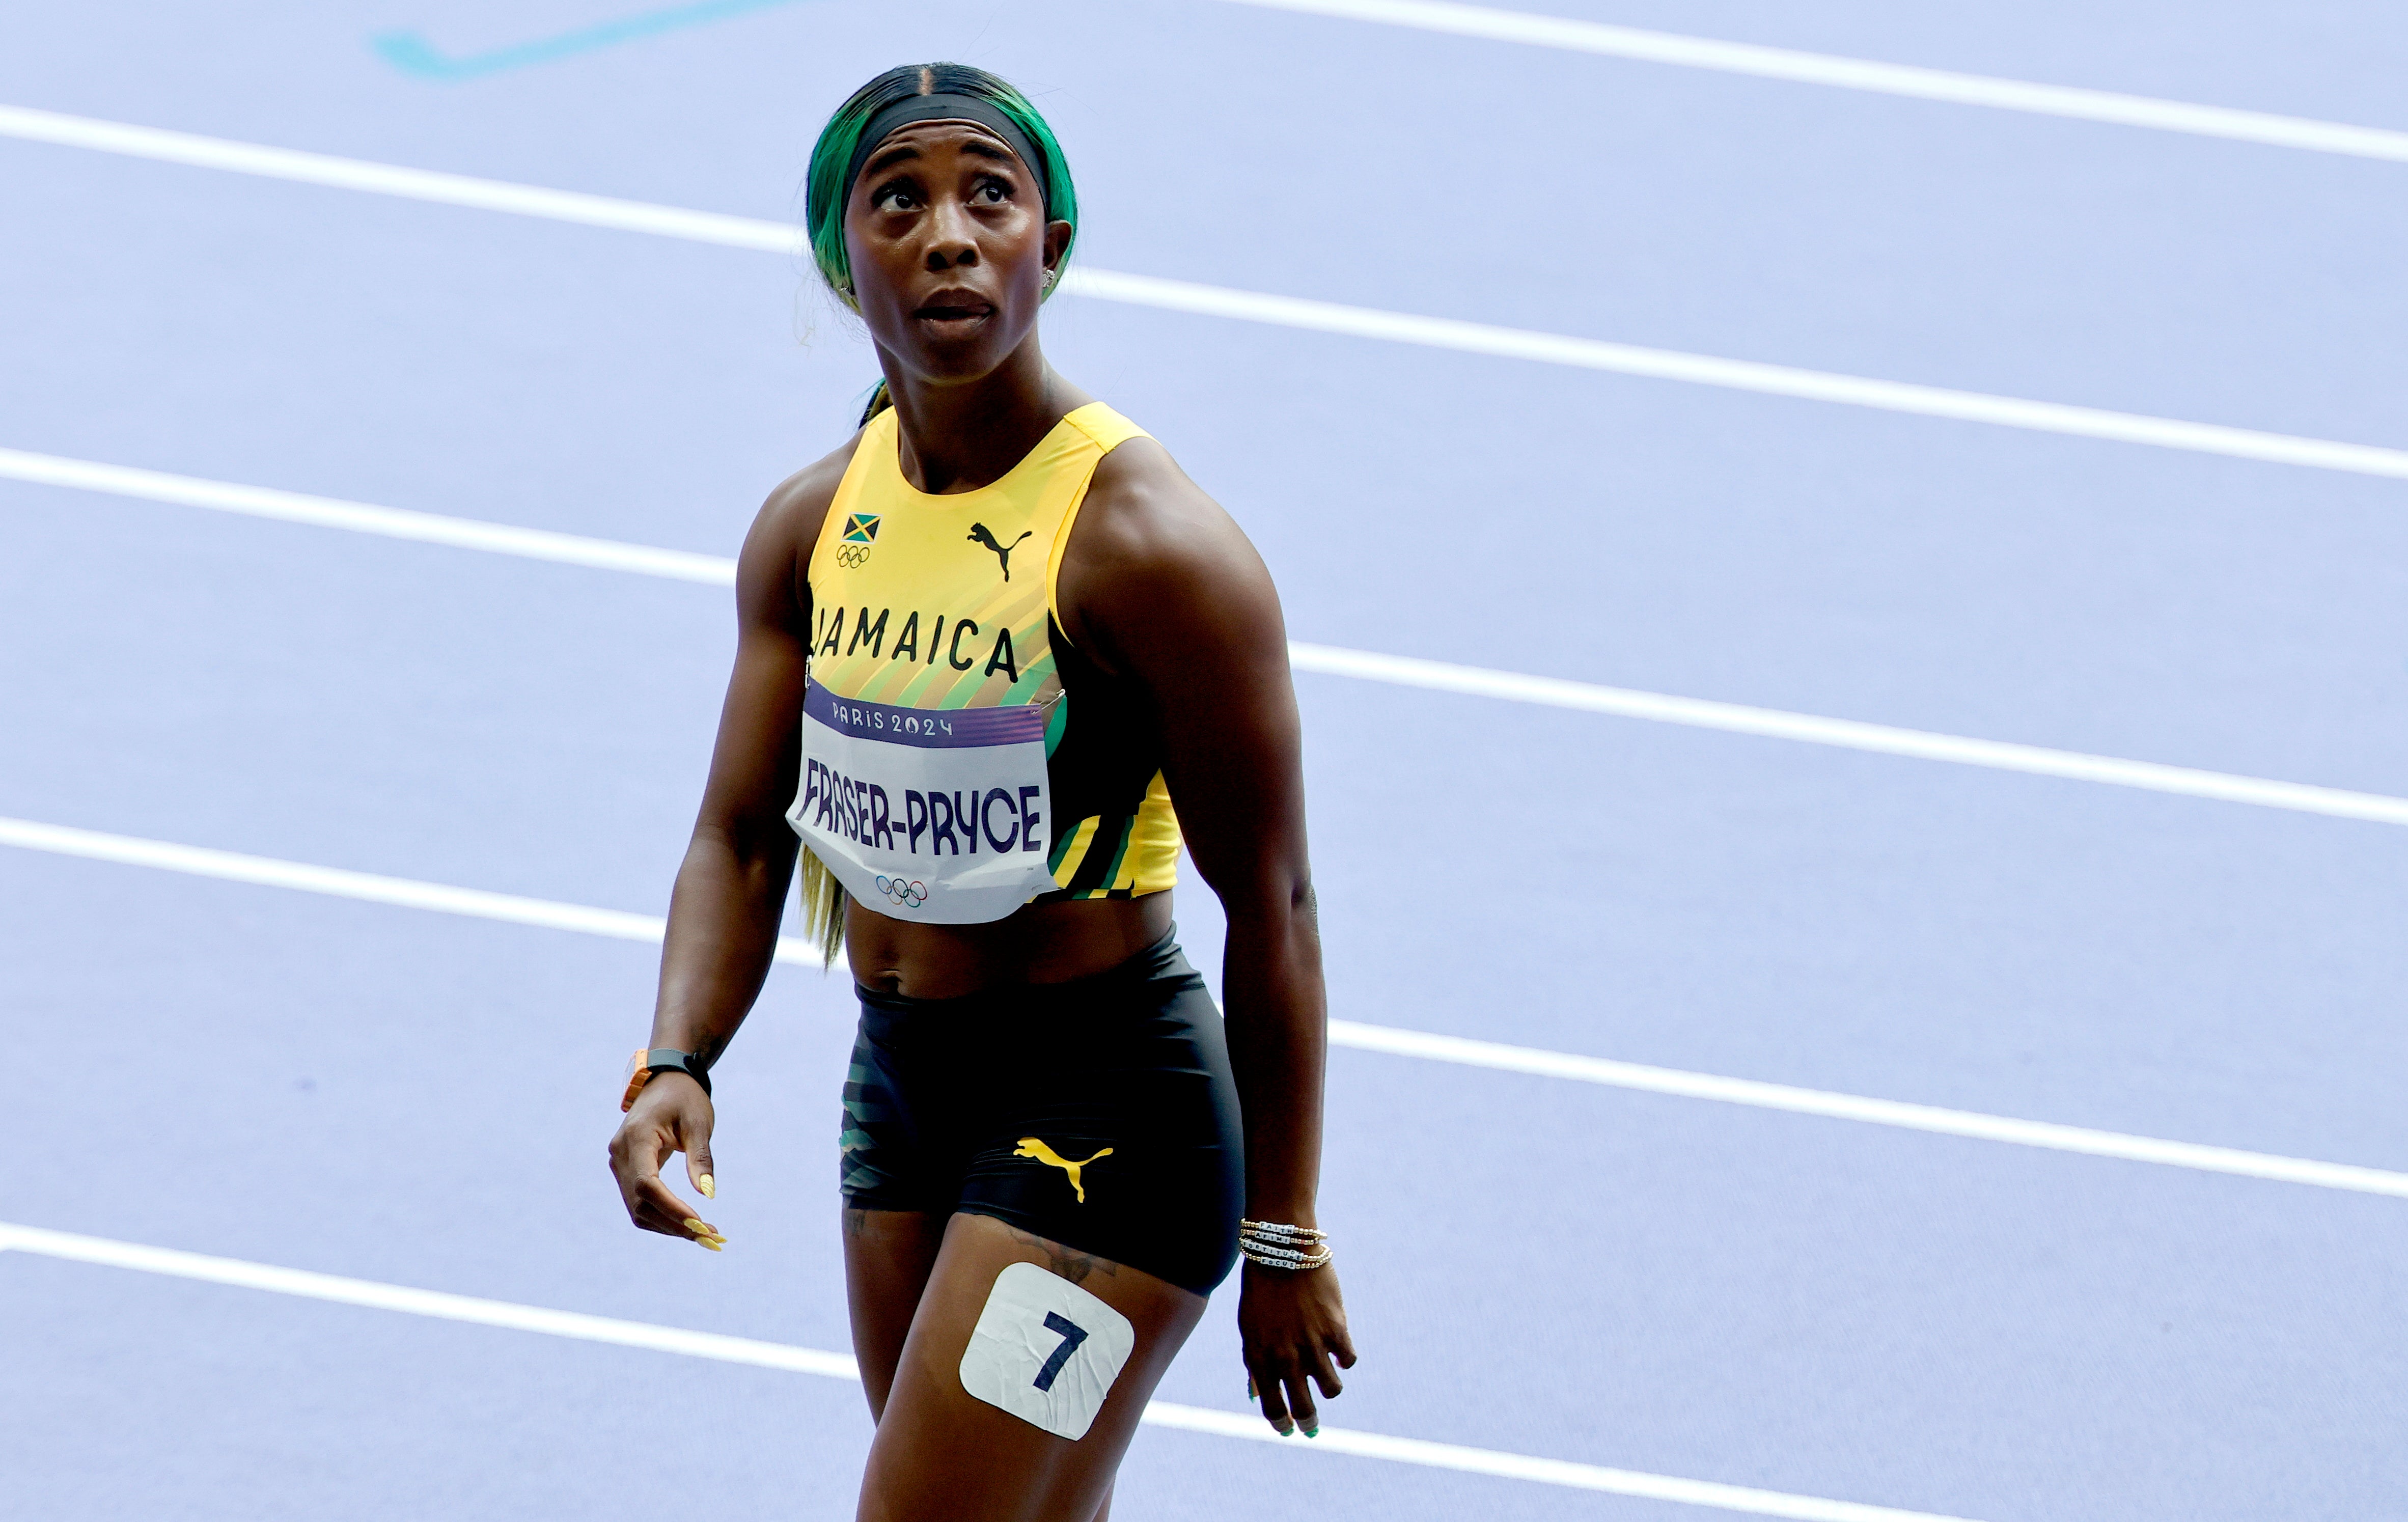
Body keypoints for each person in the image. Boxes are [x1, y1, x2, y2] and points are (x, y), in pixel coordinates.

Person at [605, 61, 1355, 1520]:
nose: (948, 233)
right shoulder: (812, 527)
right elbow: (739, 838)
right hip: (900, 1098)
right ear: (843, 260)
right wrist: (674, 1061)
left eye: (988, 198)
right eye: (901, 201)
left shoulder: (1150, 549)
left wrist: (1284, 1233)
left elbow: (1274, 907)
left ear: (1047, 248)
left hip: (1110, 1118)